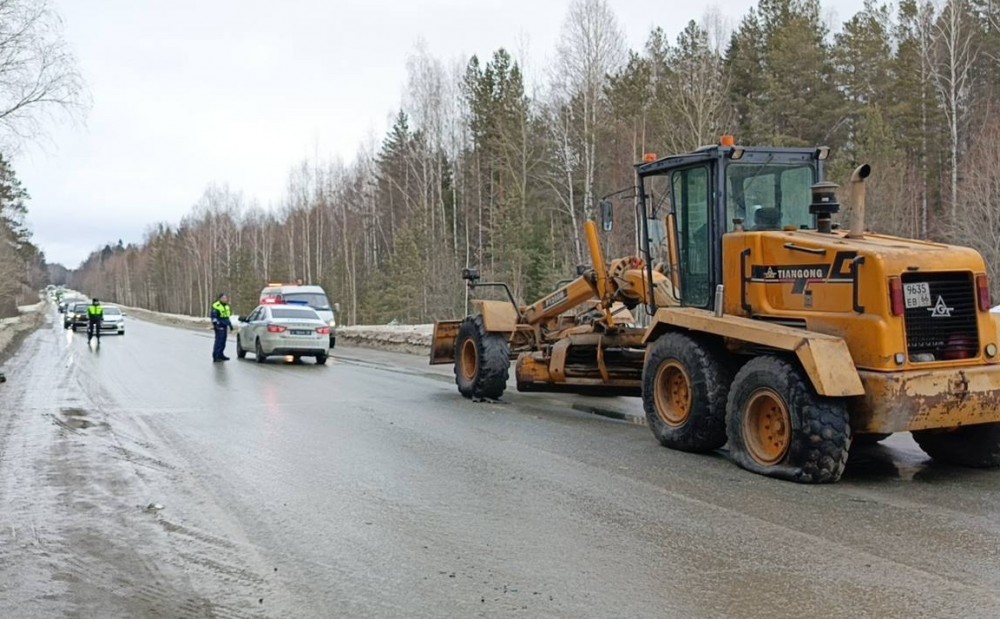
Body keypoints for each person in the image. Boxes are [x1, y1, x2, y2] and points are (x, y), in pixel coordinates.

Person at [210, 293, 233, 362]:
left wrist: (230, 325)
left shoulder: (227, 306)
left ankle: (221, 354)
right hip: (219, 325)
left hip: (224, 324)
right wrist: (216, 324)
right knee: (219, 341)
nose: (225, 299)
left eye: (226, 298)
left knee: (223, 341)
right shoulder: (216, 306)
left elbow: (227, 316)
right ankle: (216, 356)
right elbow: (214, 316)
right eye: (223, 298)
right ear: (220, 299)